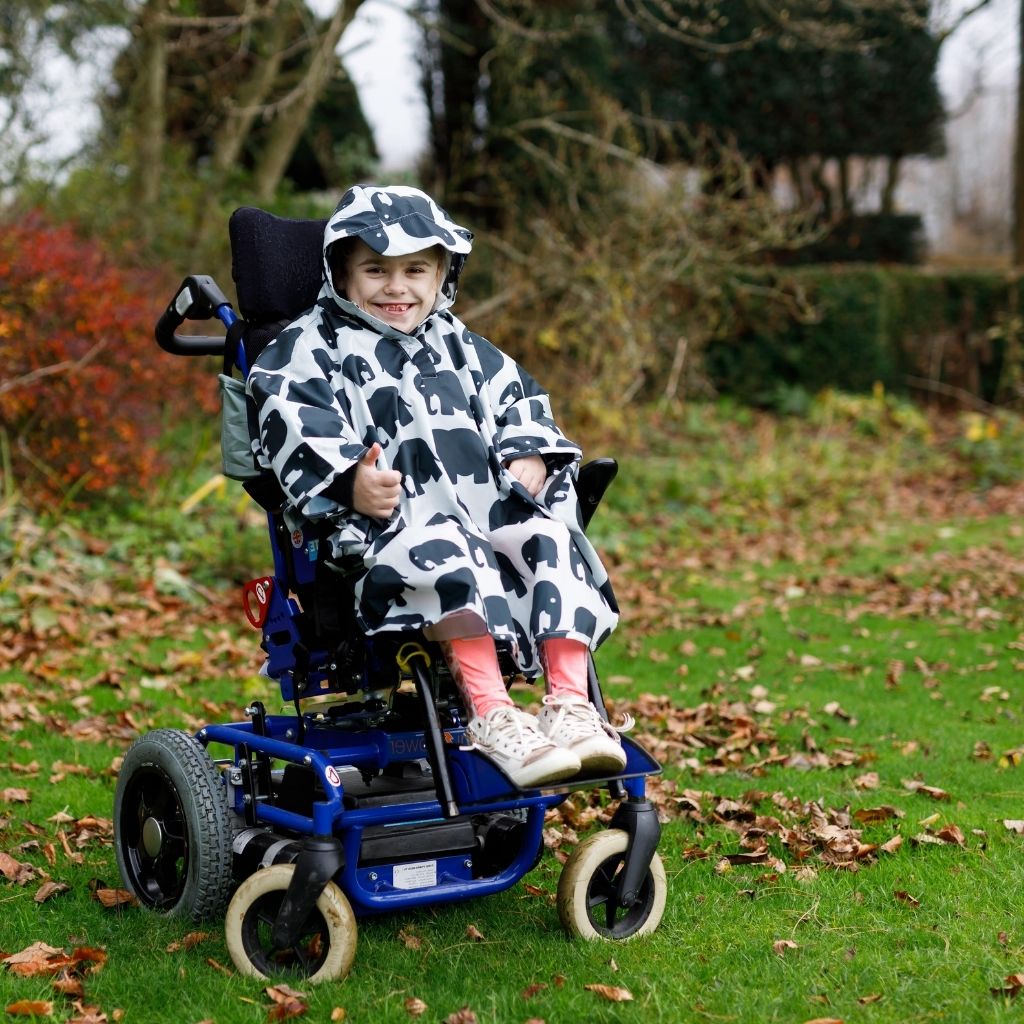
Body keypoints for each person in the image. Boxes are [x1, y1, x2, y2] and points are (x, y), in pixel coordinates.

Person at [247, 184, 625, 788]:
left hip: (487, 518)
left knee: (551, 540)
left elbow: (522, 401)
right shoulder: (308, 349)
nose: (397, 287)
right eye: (376, 269)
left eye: (415, 270)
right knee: (450, 550)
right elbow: (290, 418)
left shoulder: (462, 347)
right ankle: (493, 713)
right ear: (342, 274)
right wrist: (350, 481)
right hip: (391, 536)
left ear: (443, 272)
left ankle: (570, 707)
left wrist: (529, 451)